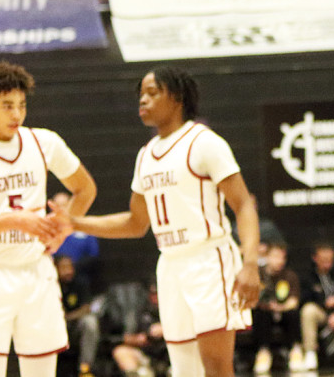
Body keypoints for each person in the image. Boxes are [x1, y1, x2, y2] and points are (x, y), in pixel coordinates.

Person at [61, 66, 262, 377]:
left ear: (177, 98)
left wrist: (250, 264)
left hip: (209, 260)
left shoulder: (204, 143)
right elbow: (135, 223)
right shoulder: (145, 155)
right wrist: (75, 223)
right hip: (170, 265)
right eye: (140, 94)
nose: (143, 100)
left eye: (152, 93)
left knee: (217, 367)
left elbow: (244, 205)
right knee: (183, 369)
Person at [0, 62, 98, 377]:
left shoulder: (44, 142)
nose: (17, 114)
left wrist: (64, 227)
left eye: (21, 105)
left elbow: (85, 189)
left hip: (36, 272)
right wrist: (13, 221)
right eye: (7, 106)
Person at [253, 243, 302, 374]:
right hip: (265, 312)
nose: (279, 261)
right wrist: (265, 305)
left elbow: (294, 301)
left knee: (293, 314)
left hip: (284, 312)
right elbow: (253, 300)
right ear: (267, 257)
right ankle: (263, 352)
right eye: (275, 257)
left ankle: (295, 350)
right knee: (261, 315)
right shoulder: (258, 274)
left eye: (282, 258)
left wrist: (280, 308)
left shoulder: (289, 275)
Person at [57, 255, 99, 377]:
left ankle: (85, 368)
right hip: (54, 326)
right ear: (56, 269)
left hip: (74, 326)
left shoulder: (80, 282)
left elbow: (86, 309)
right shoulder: (51, 283)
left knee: (90, 322)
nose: (68, 271)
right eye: (64, 268)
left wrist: (67, 317)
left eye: (70, 267)